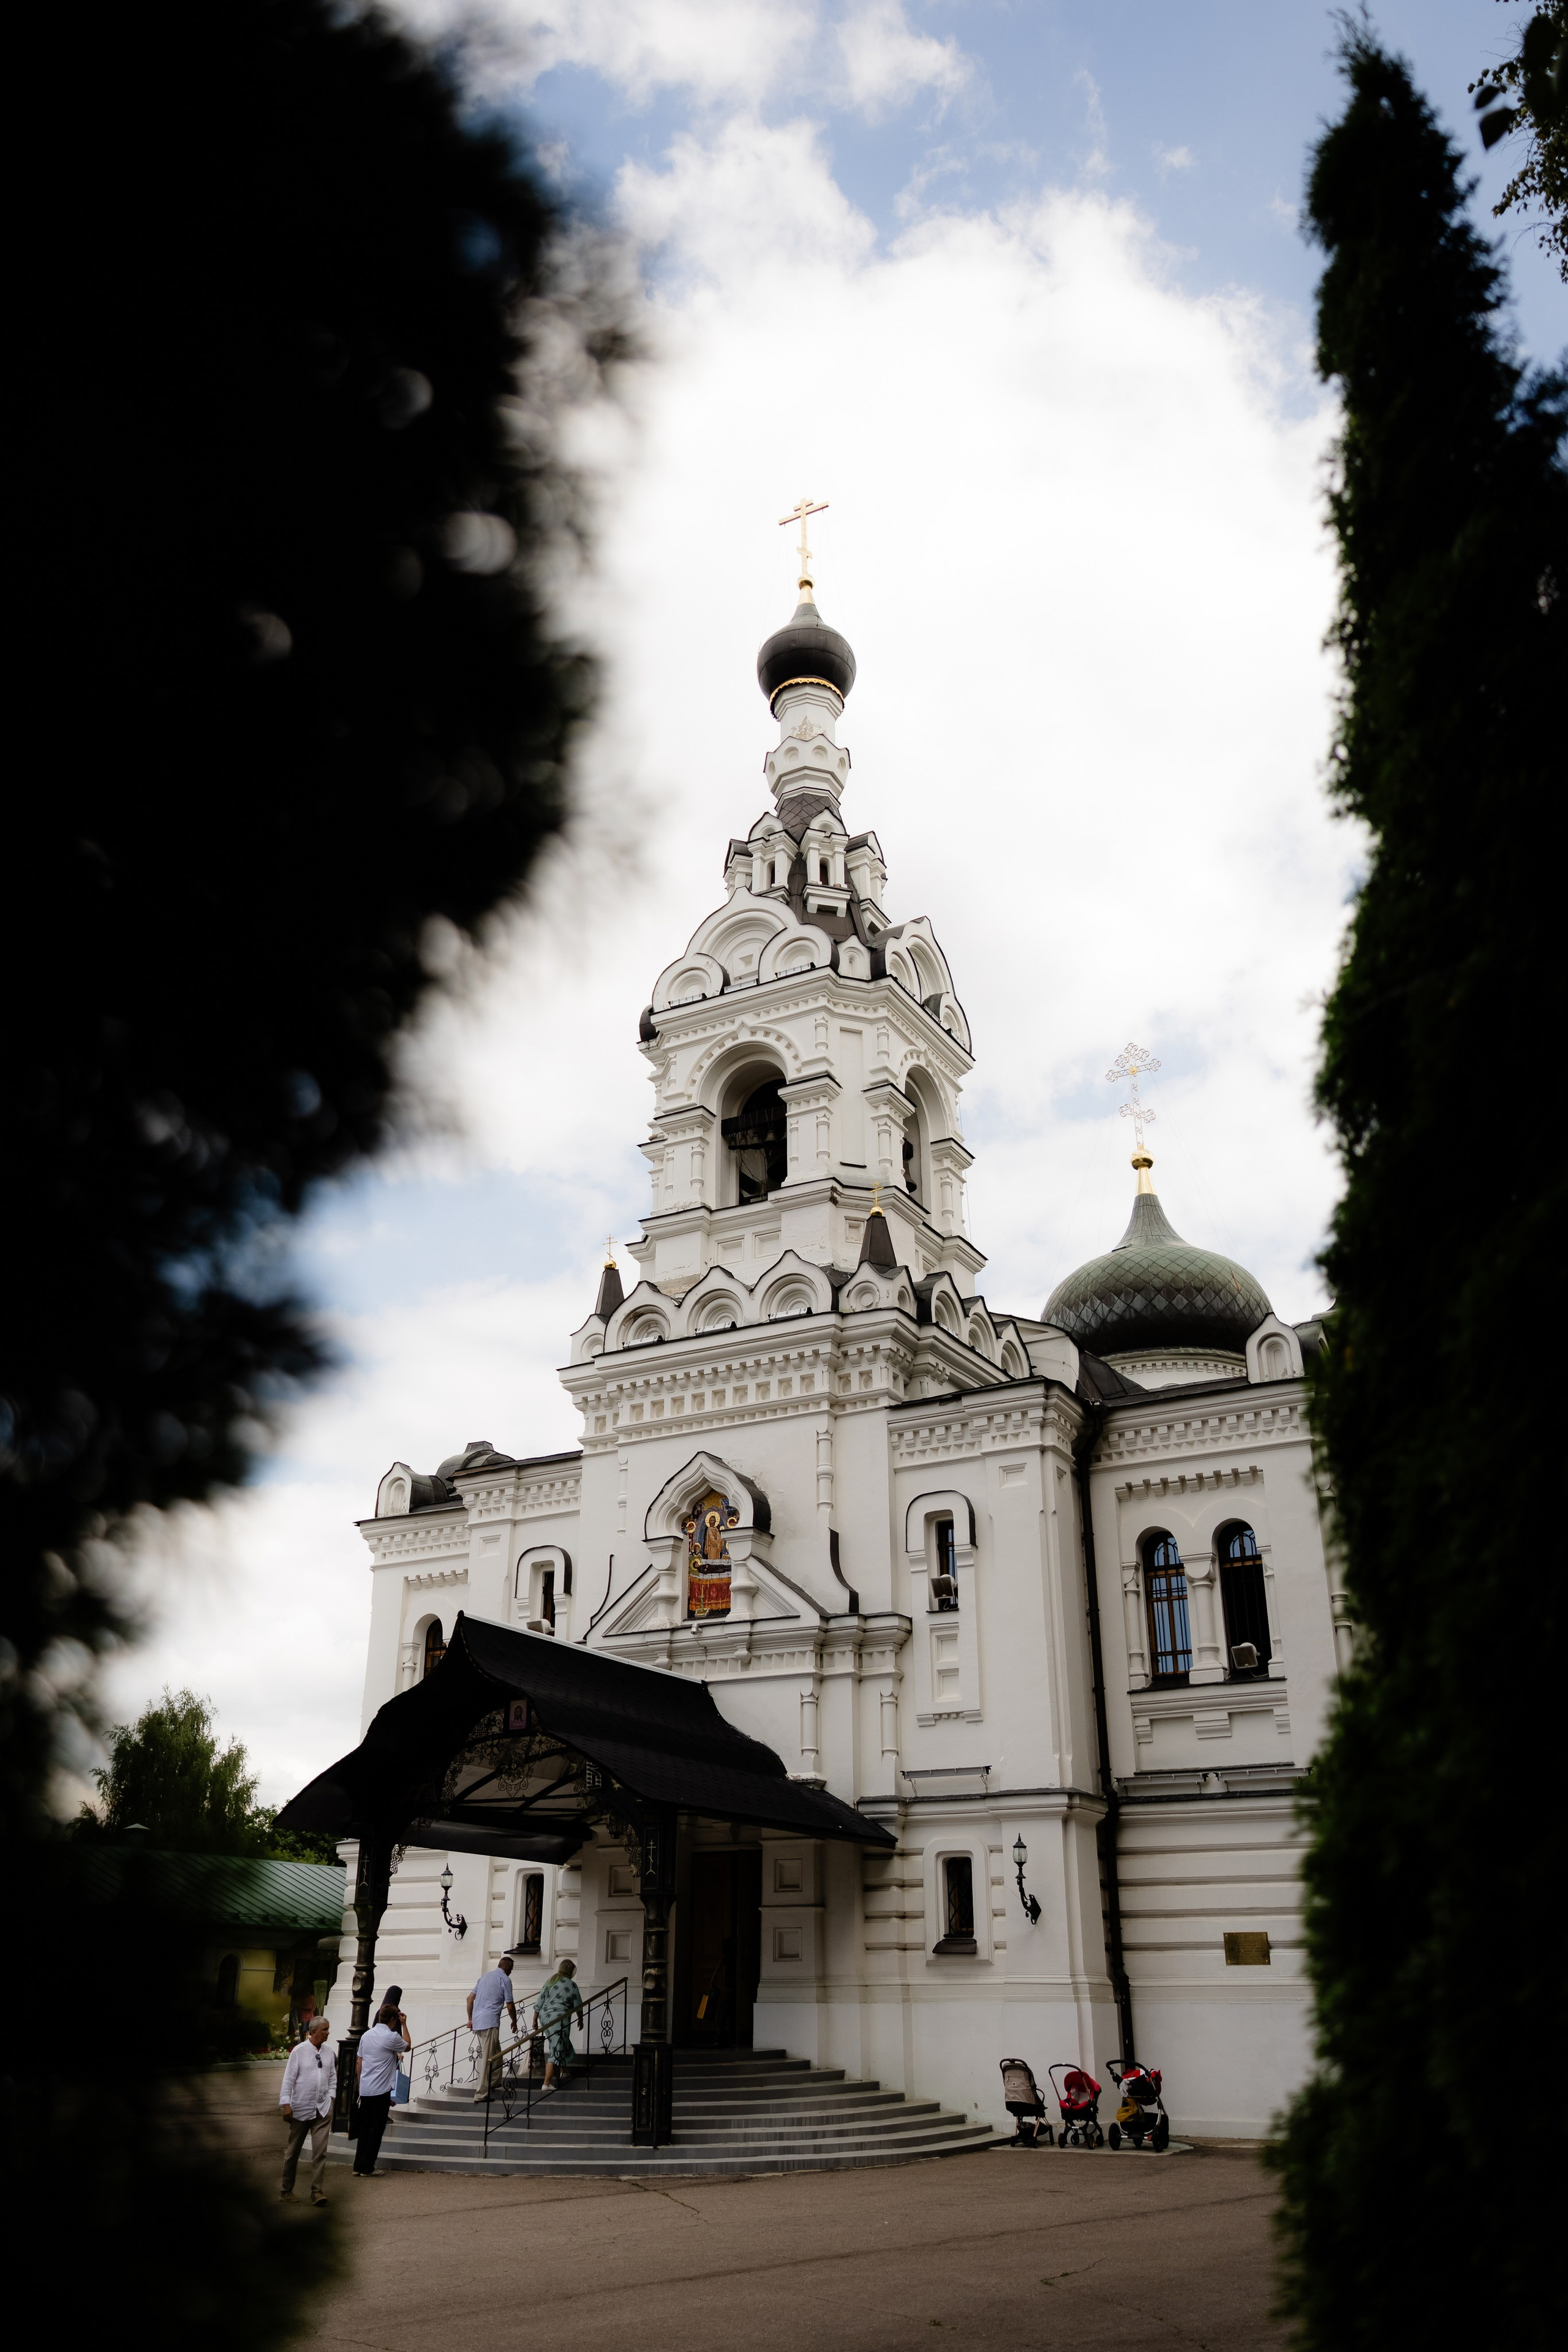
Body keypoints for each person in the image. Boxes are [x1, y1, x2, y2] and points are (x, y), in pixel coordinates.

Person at [279, 2016, 337, 2204]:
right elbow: (288, 2079)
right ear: (313, 2032)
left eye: (328, 2029)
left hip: (322, 2109)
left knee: (320, 2152)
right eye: (325, 2029)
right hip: (301, 2108)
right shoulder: (299, 2051)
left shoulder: (329, 2053)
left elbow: (333, 2078)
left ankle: (317, 2191)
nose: (328, 2032)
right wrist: (286, 2104)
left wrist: (331, 2098)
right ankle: (286, 2190)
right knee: (293, 2151)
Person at [354, 2000, 410, 2176]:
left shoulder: (366, 2035)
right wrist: (405, 2024)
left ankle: (358, 2166)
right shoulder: (391, 2037)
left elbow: (359, 2061)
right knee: (376, 2130)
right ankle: (368, 2167)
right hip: (381, 2090)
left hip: (366, 2088)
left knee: (364, 2128)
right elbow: (408, 2046)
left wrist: (361, 2083)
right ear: (393, 2019)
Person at [466, 1952, 518, 2103]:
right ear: (507, 1968)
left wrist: (470, 2018)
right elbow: (510, 2005)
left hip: (479, 2021)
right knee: (488, 2058)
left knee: (496, 2053)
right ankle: (481, 2094)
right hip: (490, 2021)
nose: (511, 1972)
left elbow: (470, 1999)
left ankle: (494, 2082)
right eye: (511, 1969)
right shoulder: (505, 1980)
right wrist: (514, 2021)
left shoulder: (484, 1977)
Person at [533, 1959, 582, 2092]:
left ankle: (563, 2071)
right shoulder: (571, 1985)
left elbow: (539, 2002)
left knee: (558, 2042)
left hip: (545, 2018)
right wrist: (580, 2019)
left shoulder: (550, 1981)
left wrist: (534, 2020)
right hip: (559, 2018)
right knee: (556, 2048)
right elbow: (578, 2005)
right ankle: (547, 2083)